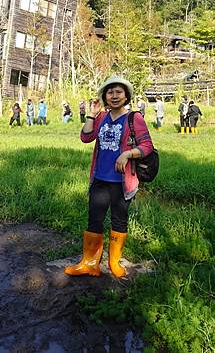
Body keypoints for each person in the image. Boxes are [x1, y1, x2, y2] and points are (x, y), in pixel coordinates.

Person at [64, 76, 154, 279]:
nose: (114, 96)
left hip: (122, 182)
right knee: (94, 219)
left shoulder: (134, 118)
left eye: (118, 92)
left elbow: (147, 146)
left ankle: (114, 261)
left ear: (126, 96)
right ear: (105, 96)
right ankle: (89, 262)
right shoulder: (102, 116)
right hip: (100, 178)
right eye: (110, 92)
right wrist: (91, 115)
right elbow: (86, 137)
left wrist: (127, 154)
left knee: (119, 220)